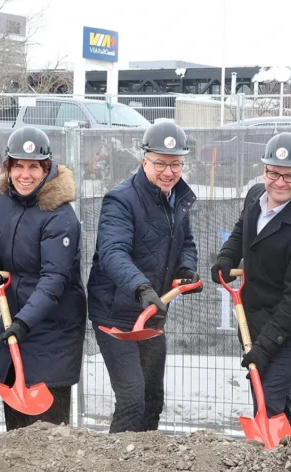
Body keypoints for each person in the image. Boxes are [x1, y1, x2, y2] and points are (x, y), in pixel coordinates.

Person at [211, 132, 291, 432]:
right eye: (273, 173)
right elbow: (241, 232)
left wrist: (264, 349)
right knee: (265, 396)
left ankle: (274, 463)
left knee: (269, 397)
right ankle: (285, 457)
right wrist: (227, 258)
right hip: (256, 318)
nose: (279, 182)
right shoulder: (255, 196)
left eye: (289, 176)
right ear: (264, 169)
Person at [87, 120, 201, 433]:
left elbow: (186, 244)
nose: (169, 172)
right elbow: (113, 253)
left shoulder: (177, 199)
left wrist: (185, 268)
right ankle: (115, 471)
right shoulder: (120, 200)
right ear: (145, 160)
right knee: (132, 398)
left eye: (176, 164)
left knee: (153, 400)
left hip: (151, 316)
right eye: (161, 163)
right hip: (116, 315)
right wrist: (142, 288)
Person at [0, 127, 86, 429]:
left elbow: (54, 280)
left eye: (33, 167)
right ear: (9, 167)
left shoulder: (60, 217)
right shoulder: (2, 201)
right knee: (16, 427)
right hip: (16, 322)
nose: (25, 175)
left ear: (46, 169)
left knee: (48, 433)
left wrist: (23, 322)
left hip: (52, 330)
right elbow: (1, 238)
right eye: (19, 166)